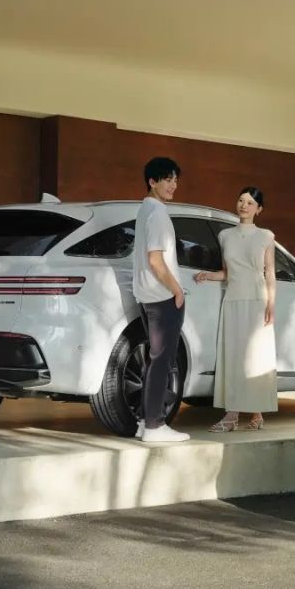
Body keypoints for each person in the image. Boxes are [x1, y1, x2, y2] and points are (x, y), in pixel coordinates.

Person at [194, 186, 278, 431]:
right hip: (232, 300)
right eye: (241, 200)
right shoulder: (225, 236)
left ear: (259, 209)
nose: (244, 206)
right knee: (233, 358)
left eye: (250, 203)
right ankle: (234, 414)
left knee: (255, 357)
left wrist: (271, 304)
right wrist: (208, 275)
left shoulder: (266, 236)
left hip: (257, 301)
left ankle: (254, 413)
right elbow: (228, 272)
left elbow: (270, 273)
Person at [133, 157, 190, 443]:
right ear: (152, 181)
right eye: (167, 179)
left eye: (175, 180)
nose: (173, 185)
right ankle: (155, 426)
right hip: (162, 297)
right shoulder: (157, 214)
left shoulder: (144, 210)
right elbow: (156, 261)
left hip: (147, 296)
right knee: (162, 362)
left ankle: (145, 422)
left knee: (154, 361)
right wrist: (177, 290)